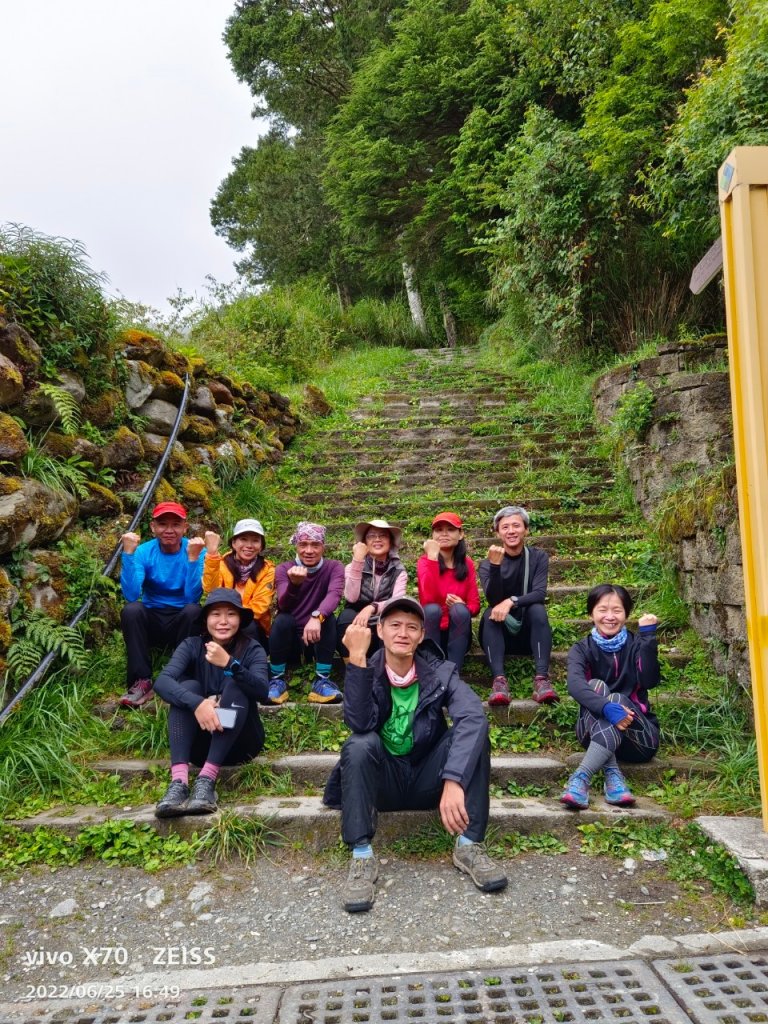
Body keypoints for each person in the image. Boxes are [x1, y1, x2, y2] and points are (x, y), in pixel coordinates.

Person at [323, 596, 508, 914]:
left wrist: (453, 779)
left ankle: (469, 846)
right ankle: (362, 856)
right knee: (359, 743)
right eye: (394, 625)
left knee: (475, 735)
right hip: (383, 783)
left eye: (412, 627)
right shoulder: (369, 668)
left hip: (428, 780)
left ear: (422, 635)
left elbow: (473, 716)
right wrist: (356, 658)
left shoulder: (441, 672)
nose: (403, 633)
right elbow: (359, 722)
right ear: (379, 630)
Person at [153, 588, 270, 817]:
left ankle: (207, 780)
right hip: (199, 744)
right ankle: (179, 782)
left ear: (240, 620)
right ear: (206, 619)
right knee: (186, 688)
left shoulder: (252, 648)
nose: (223, 621)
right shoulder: (191, 645)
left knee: (238, 683)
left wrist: (230, 664)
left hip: (241, 742)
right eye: (216, 614)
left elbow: (262, 691)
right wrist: (198, 704)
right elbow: (162, 682)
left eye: (231, 614)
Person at [560, 584, 660, 810]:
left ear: (626, 614)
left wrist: (648, 638)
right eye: (602, 610)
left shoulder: (636, 644)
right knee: (595, 686)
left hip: (638, 738)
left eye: (617, 610)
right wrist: (607, 708)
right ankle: (613, 777)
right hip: (592, 730)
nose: (609, 617)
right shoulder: (581, 649)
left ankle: (581, 778)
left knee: (617, 698)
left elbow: (649, 680)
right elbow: (575, 685)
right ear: (591, 613)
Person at [118, 501, 205, 708]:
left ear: (185, 527)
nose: (169, 530)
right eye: (163, 524)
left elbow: (192, 597)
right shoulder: (144, 552)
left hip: (182, 620)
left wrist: (193, 559)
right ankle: (141, 682)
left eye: (176, 524)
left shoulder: (195, 550)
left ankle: (180, 676)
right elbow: (131, 595)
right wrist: (128, 555)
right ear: (153, 527)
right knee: (132, 610)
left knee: (194, 610)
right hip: (152, 618)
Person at [478, 505, 556, 707]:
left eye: (516, 525)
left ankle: (541, 680)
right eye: (505, 527)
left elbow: (539, 593)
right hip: (500, 636)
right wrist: (495, 567)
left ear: (526, 530)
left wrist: (512, 601)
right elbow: (493, 600)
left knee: (537, 608)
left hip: (530, 635)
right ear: (497, 532)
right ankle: (499, 681)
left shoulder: (538, 557)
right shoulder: (487, 563)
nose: (511, 531)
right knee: (489, 614)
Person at [269, 521, 345, 705]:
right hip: (291, 640)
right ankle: (276, 679)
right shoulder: (283, 569)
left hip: (318, 635)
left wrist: (317, 615)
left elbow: (334, 595)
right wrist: (294, 584)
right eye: (303, 545)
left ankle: (322, 680)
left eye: (315, 545)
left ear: (323, 547)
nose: (309, 550)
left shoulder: (334, 567)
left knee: (329, 617)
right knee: (282, 619)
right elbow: (284, 605)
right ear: (296, 545)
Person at [417, 512, 481, 670]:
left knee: (460, 610)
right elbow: (428, 599)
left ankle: (454, 674)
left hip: (457, 635)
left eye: (450, 529)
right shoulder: (425, 561)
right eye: (438, 530)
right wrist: (432, 557)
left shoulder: (467, 564)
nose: (444, 534)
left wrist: (463, 606)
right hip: (432, 634)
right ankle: (433, 670)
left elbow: (475, 606)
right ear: (432, 535)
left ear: (461, 534)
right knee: (431, 610)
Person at [337, 518, 407, 657]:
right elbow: (351, 597)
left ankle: (382, 668)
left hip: (385, 615)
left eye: (383, 536)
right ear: (364, 542)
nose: (377, 539)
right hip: (357, 616)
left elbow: (397, 601)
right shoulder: (352, 567)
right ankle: (353, 667)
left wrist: (372, 607)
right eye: (371, 536)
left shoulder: (399, 571)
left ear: (390, 541)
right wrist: (357, 561)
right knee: (346, 617)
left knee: (390, 624)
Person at [202, 519, 275, 649]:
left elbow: (260, 606)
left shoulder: (268, 570)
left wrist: (233, 619)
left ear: (261, 546)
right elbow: (211, 590)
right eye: (243, 539)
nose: (249, 545)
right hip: (221, 621)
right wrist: (212, 554)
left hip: (252, 626)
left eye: (255, 540)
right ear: (234, 543)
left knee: (249, 625)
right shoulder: (221, 563)